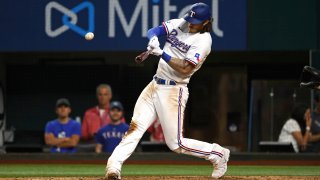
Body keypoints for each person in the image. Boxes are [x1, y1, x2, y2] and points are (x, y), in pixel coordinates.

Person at [106, 3, 230, 179]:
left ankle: (218, 154)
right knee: (135, 128)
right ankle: (113, 168)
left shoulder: (204, 41)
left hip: (174, 89)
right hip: (155, 84)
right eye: (190, 18)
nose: (191, 23)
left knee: (176, 144)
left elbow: (185, 69)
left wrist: (162, 53)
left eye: (195, 21)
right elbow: (154, 30)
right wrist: (153, 39)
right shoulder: (181, 23)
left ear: (206, 22)